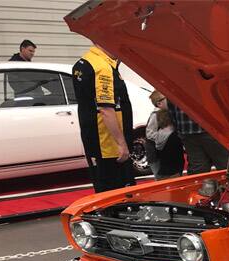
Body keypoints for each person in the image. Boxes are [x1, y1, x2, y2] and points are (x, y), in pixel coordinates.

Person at [72, 45, 135, 193]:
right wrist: (122, 143)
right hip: (108, 144)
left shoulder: (85, 62)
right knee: (118, 192)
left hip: (94, 138)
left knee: (102, 187)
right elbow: (106, 109)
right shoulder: (102, 68)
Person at [167, 101, 229, 175]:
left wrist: (179, 131)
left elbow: (171, 111)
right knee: (226, 165)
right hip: (212, 128)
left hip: (187, 131)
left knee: (198, 168)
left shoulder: (176, 89)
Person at [146, 91, 184, 180]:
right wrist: (163, 137)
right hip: (156, 154)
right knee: (162, 177)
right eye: (167, 98)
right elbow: (149, 133)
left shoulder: (169, 112)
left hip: (167, 153)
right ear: (159, 103)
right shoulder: (155, 115)